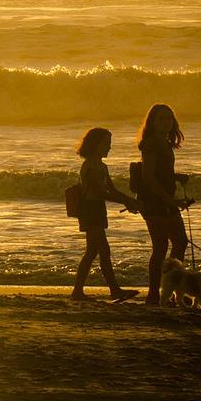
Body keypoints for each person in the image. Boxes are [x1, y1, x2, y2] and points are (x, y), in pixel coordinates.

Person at [69, 127, 139, 302]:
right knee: (103, 251)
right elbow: (100, 192)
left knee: (92, 252)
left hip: (98, 209)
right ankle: (114, 290)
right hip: (90, 209)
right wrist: (126, 201)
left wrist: (129, 201)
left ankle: (77, 292)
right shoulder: (90, 166)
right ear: (95, 145)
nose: (109, 147)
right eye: (106, 144)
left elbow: (112, 189)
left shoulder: (102, 166)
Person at [134, 102, 190, 305]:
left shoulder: (163, 142)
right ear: (152, 122)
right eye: (161, 119)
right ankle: (154, 294)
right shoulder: (151, 143)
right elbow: (148, 177)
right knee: (161, 246)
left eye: (169, 118)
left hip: (164, 199)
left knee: (179, 242)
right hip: (154, 201)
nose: (167, 122)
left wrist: (176, 176)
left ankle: (172, 290)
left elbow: (160, 172)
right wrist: (169, 199)